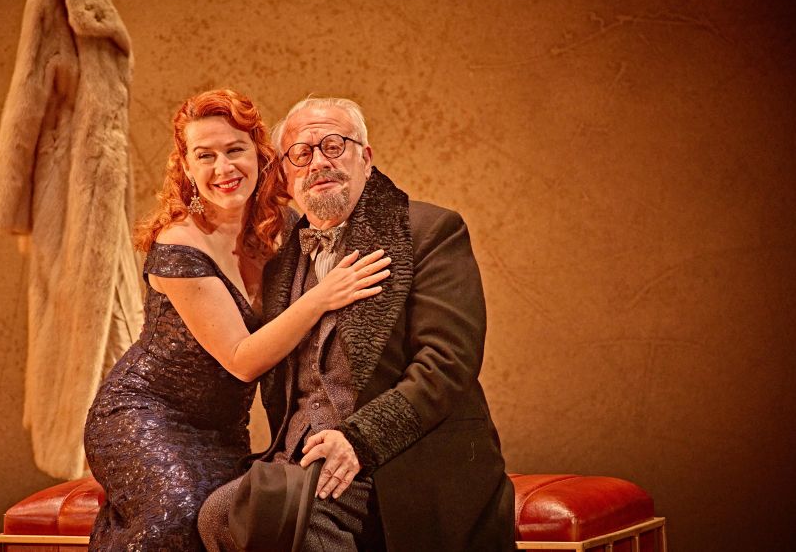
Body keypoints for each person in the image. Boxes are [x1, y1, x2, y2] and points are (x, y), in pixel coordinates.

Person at [198, 97, 515, 551]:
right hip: (301, 458)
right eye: (300, 154)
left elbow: (448, 364)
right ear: (285, 175)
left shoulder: (429, 230)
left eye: (333, 146)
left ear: (366, 158)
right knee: (219, 515)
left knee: (301, 524)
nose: (318, 163)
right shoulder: (280, 261)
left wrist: (359, 440)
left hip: (400, 459)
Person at [83, 89, 391, 551]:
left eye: (234, 150)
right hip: (145, 415)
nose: (223, 168)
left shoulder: (282, 227)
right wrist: (322, 297)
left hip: (225, 428)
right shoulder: (179, 245)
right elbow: (242, 361)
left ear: (261, 155)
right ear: (186, 167)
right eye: (204, 155)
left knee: (228, 518)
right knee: (177, 514)